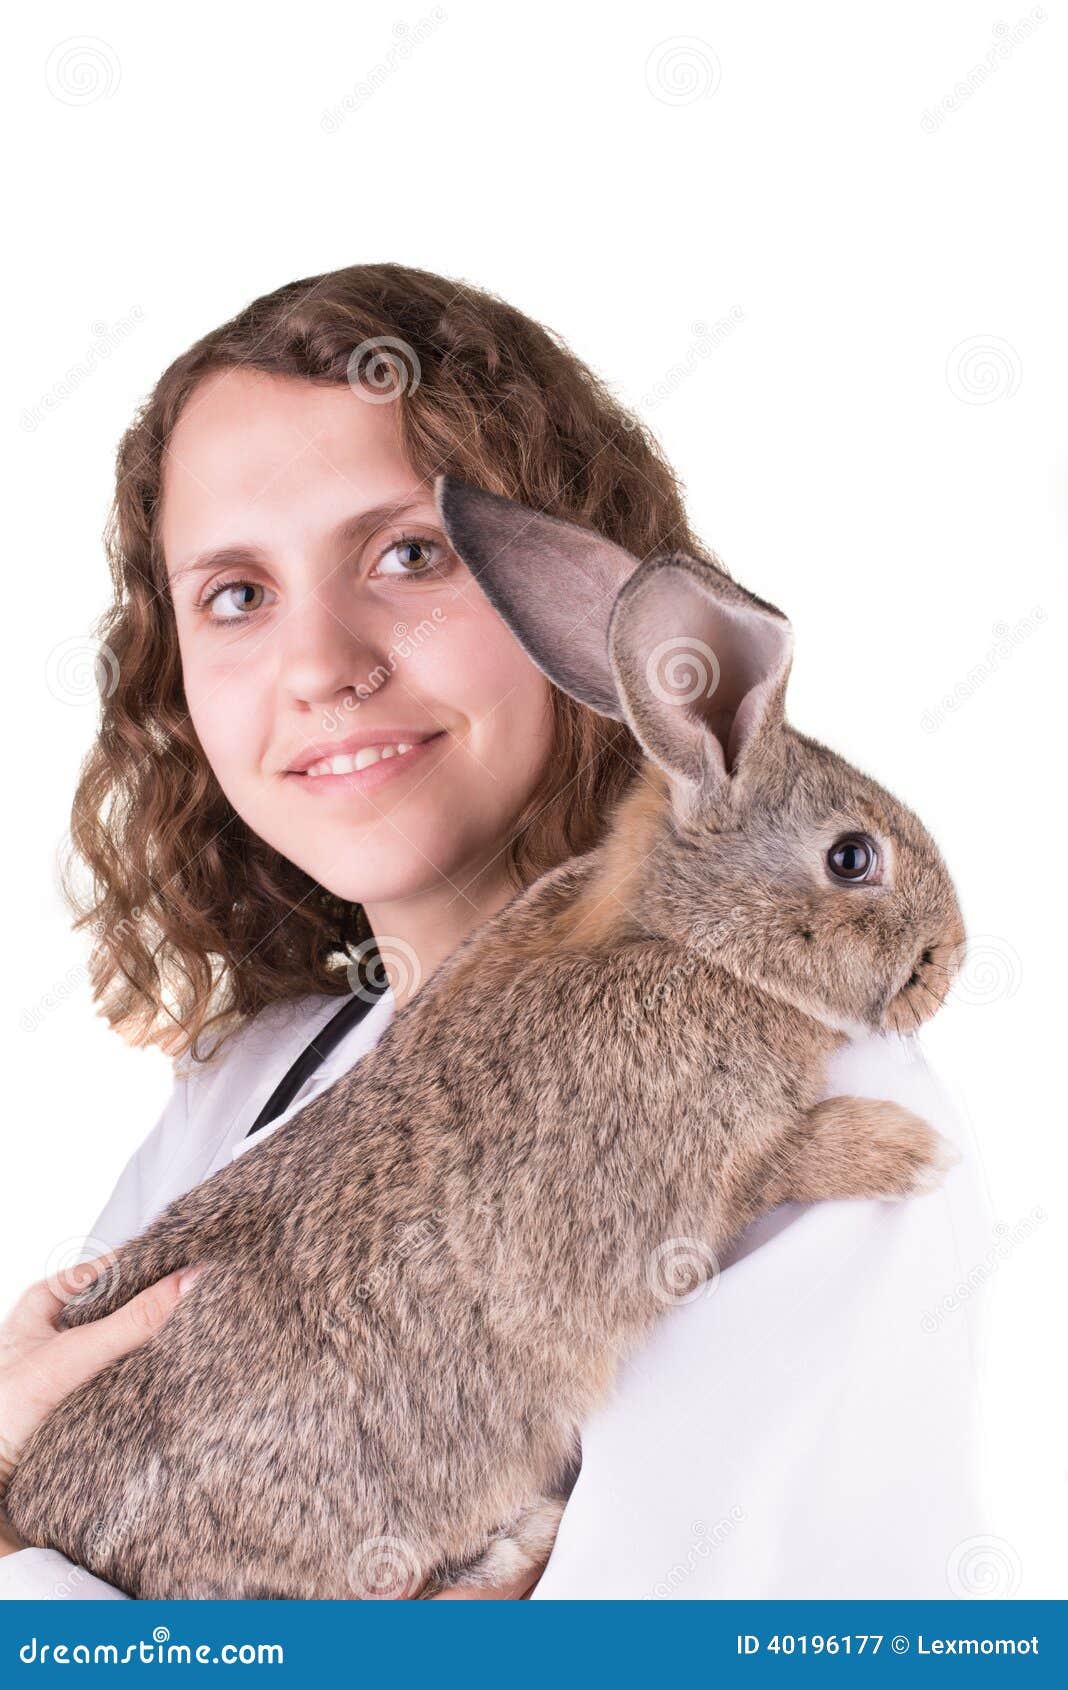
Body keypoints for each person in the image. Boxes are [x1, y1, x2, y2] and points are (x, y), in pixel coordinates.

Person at [0, 263, 993, 1600]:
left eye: (408, 555)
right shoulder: (250, 1080)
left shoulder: (837, 1126)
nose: (321, 663)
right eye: (237, 595)